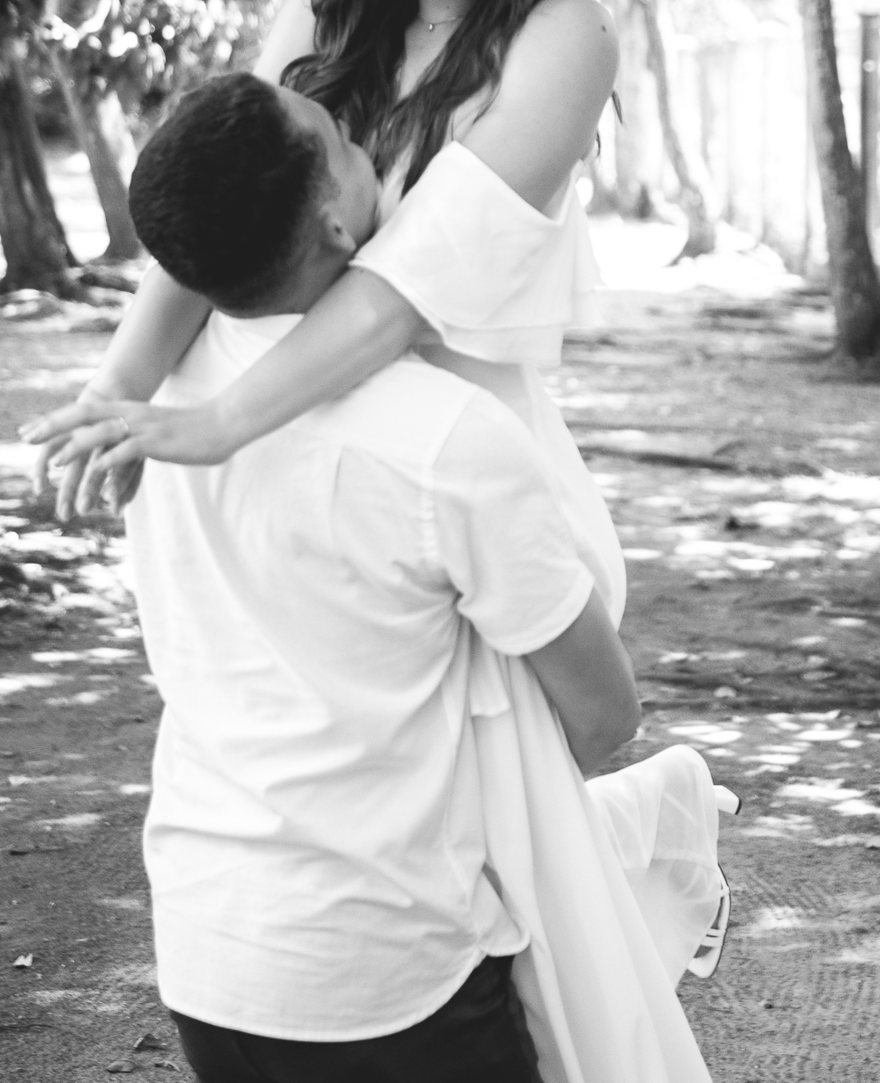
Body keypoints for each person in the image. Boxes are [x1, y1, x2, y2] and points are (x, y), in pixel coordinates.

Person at [25, 0, 726, 1082]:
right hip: (325, 480)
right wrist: (113, 397)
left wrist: (218, 425)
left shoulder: (563, 37)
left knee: (506, 862)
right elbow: (210, 211)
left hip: (459, 469)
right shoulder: (321, 10)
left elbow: (407, 286)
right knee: (379, 808)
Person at [119, 68, 642, 1083]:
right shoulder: (446, 438)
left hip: (205, 940)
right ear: (332, 219)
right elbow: (602, 715)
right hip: (387, 971)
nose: (372, 144)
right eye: (341, 137)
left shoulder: (154, 412)